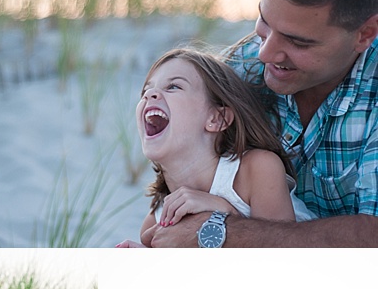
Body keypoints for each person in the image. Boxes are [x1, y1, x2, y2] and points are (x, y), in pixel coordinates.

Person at [147, 0, 378, 248]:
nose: (264, 54)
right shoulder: (241, 70)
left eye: (297, 41)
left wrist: (222, 232)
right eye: (264, 22)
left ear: (365, 34)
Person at [128, 48, 313, 248]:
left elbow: (282, 253)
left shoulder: (256, 169)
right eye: (146, 90)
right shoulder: (156, 219)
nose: (151, 95)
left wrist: (225, 213)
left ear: (216, 119)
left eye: (173, 87)